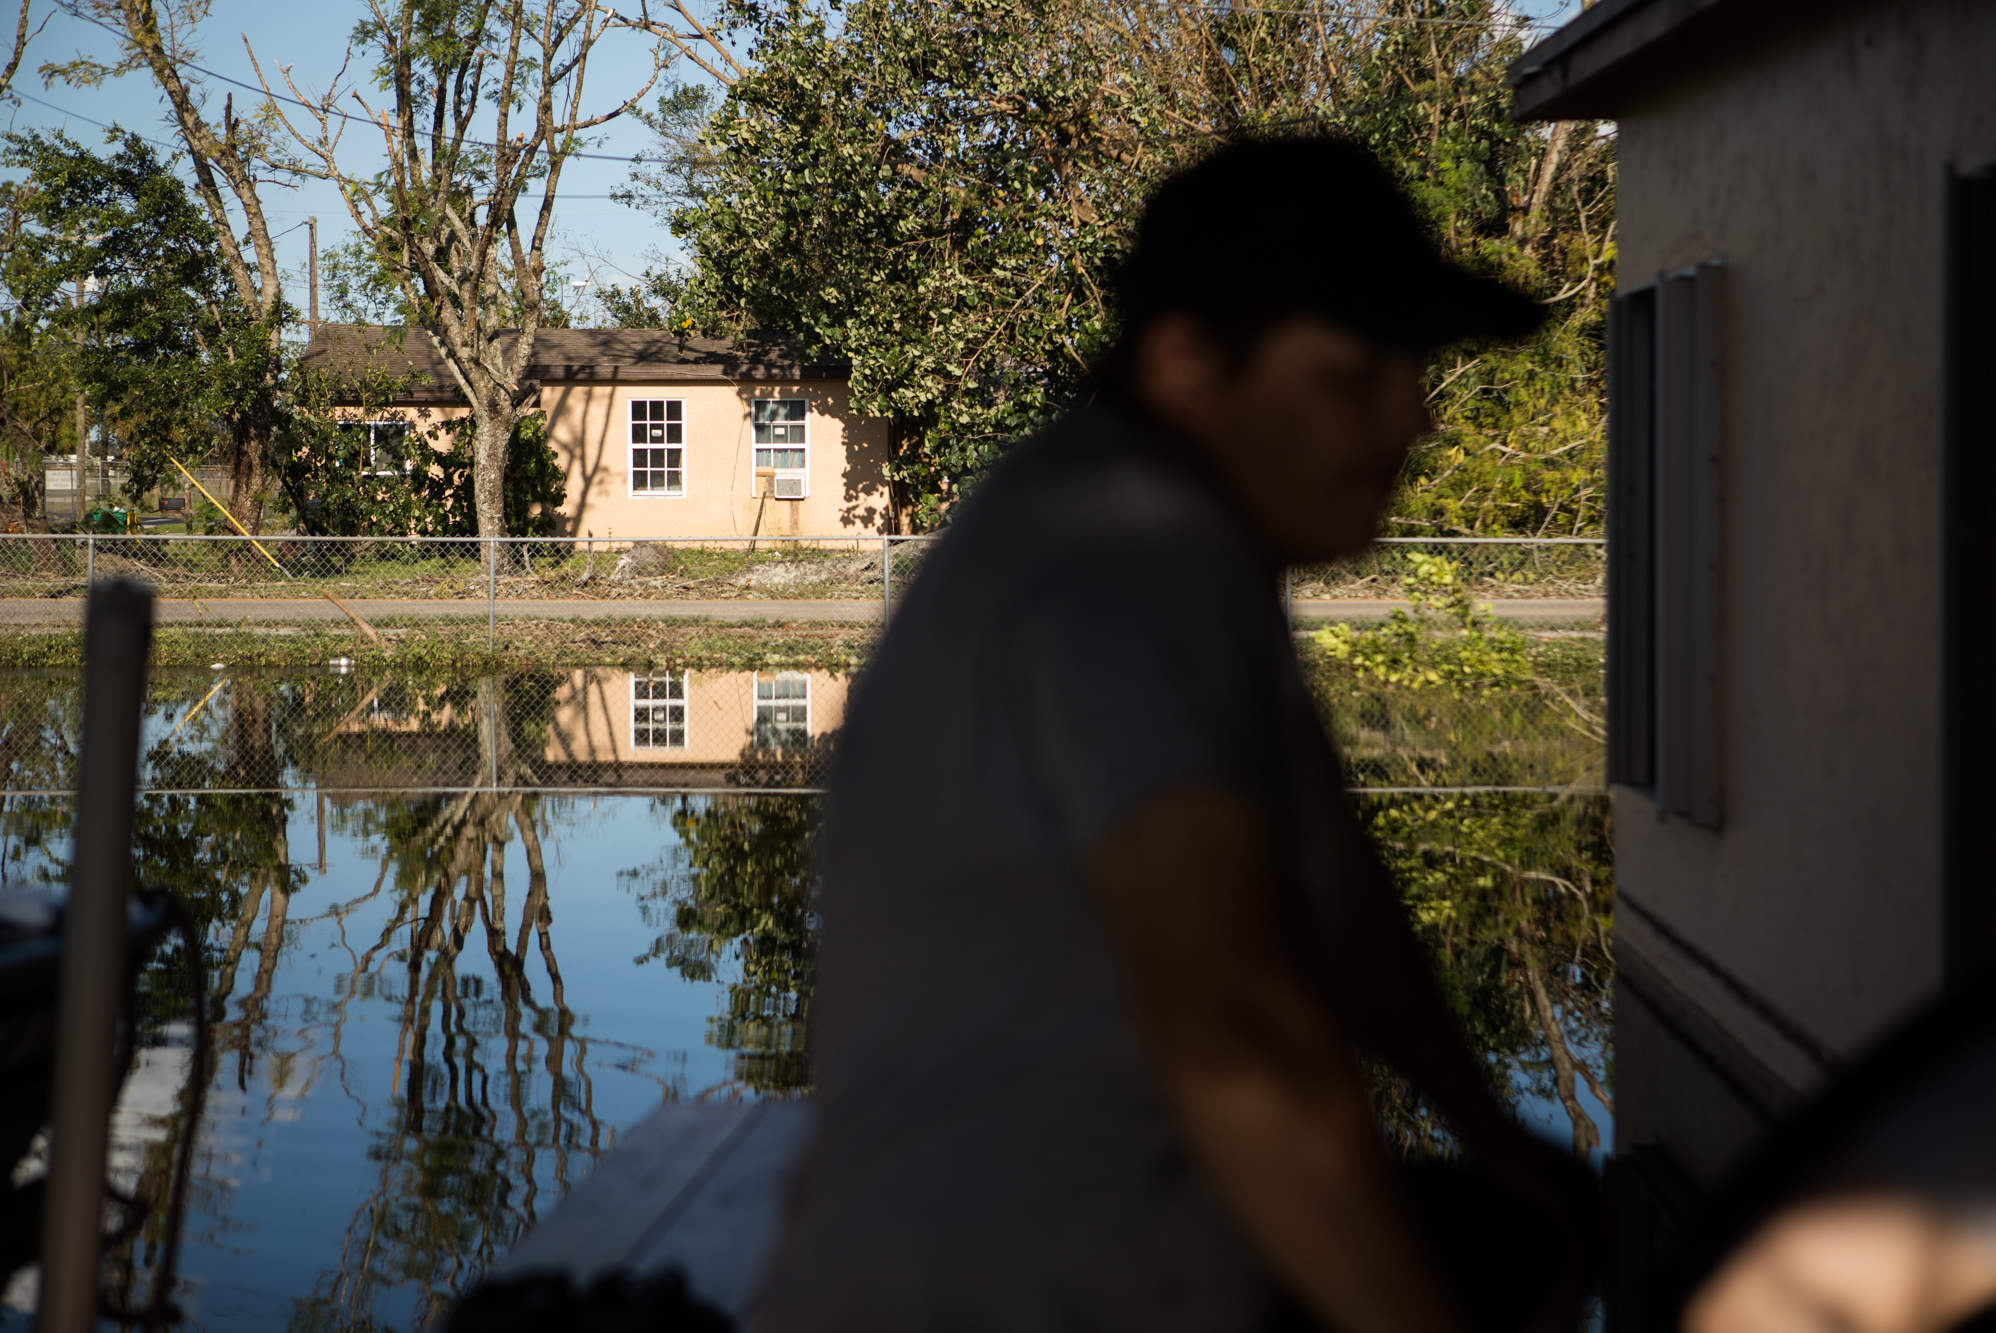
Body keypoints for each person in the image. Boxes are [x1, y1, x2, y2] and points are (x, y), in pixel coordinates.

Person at [754, 138, 1594, 1333]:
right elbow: (1234, 1039)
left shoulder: (1169, 532)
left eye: (1415, 368)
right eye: (1357, 374)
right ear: (1187, 364)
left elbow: (1336, 876)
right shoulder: (1129, 552)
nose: (1414, 417)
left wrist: (1487, 1129)